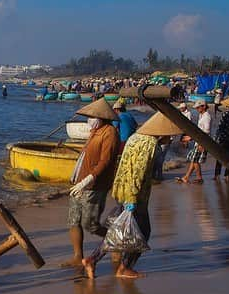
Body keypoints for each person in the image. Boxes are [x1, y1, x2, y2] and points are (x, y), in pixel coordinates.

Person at [83, 113, 183, 279]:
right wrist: (132, 200)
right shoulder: (150, 144)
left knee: (117, 230)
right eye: (169, 135)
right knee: (143, 232)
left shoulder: (135, 138)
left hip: (122, 190)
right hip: (134, 195)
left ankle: (93, 259)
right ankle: (124, 267)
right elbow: (137, 172)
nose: (171, 138)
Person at [65, 98, 120, 268]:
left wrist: (90, 177)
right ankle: (77, 256)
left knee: (90, 224)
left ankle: (116, 241)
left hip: (95, 185)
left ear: (102, 117)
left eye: (92, 117)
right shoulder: (94, 132)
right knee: (73, 220)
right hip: (79, 182)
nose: (89, 120)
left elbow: (105, 160)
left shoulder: (109, 132)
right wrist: (78, 178)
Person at [177, 99, 211, 184]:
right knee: (193, 159)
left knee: (195, 160)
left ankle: (199, 178)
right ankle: (186, 177)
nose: (197, 109)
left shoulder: (206, 117)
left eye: (198, 107)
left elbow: (206, 131)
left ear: (203, 107)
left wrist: (197, 141)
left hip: (202, 141)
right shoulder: (202, 115)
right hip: (198, 140)